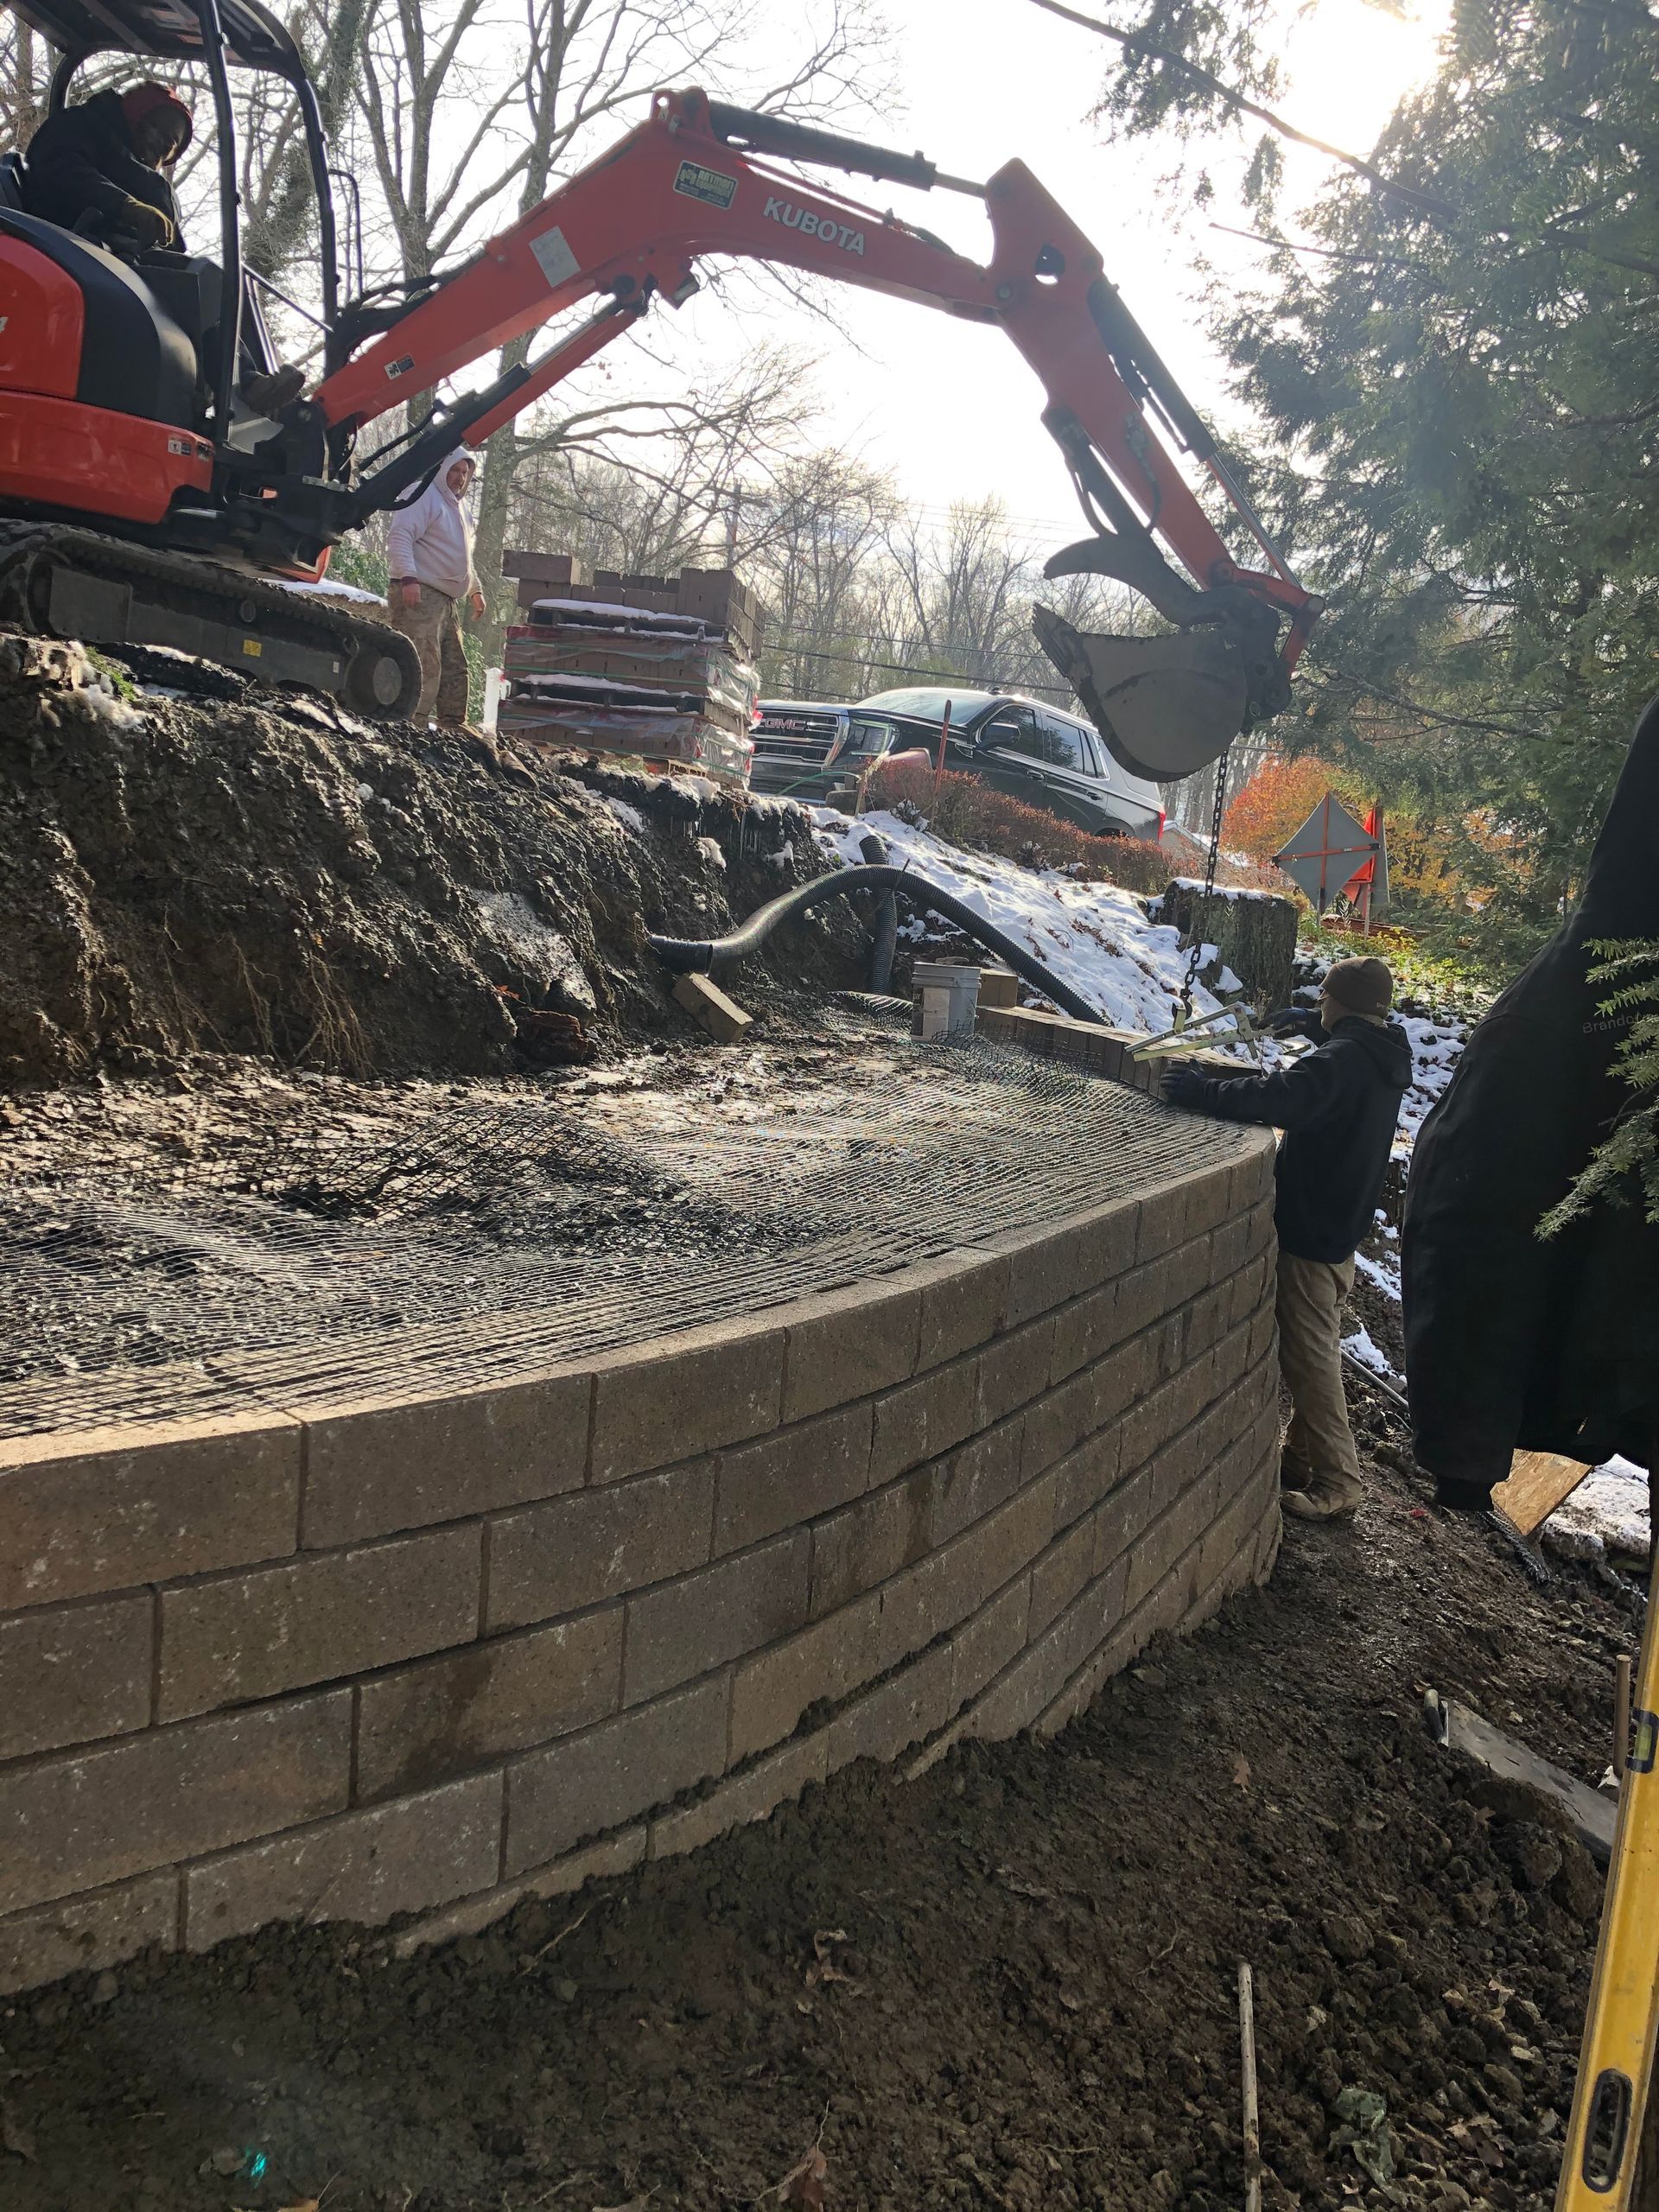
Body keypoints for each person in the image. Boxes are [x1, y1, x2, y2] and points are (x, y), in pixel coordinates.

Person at [1161, 956, 1413, 1521]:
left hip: (1310, 1230)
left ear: (1339, 1002)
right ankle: (1299, 1460)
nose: (1317, 1003)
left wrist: (1203, 1090)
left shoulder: (1343, 1060)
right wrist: (1319, 1029)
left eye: (1323, 998)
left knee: (1310, 1358)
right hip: (1340, 1225)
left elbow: (1283, 1097)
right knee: (1314, 1349)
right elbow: (1333, 1076)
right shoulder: (1381, 1051)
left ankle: (1339, 1481)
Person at [22, 79, 302, 416]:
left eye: (171, 146)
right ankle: (244, 386)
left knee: (217, 284)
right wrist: (124, 205)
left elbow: (174, 250)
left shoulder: (143, 176)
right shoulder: (81, 127)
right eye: (160, 133)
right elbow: (61, 168)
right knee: (195, 285)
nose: (161, 148)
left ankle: (254, 385)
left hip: (118, 261)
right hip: (74, 249)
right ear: (137, 114)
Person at [385, 450, 487, 727]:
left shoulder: (460, 509)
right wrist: (408, 578)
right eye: (454, 470)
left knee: (455, 665)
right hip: (421, 592)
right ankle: (410, 721)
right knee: (422, 661)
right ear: (441, 469)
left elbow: (461, 556)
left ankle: (453, 725)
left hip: (447, 600)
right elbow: (400, 535)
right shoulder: (423, 495)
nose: (459, 478)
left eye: (465, 473)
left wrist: (475, 590)